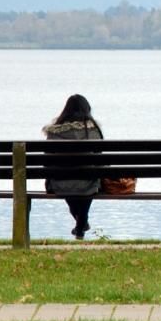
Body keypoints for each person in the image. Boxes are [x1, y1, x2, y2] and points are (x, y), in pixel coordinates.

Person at [42, 93, 103, 240]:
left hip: (60, 184)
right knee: (88, 183)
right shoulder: (93, 131)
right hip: (89, 182)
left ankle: (81, 224)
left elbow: (47, 161)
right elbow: (100, 159)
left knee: (68, 184)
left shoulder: (54, 132)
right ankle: (82, 223)